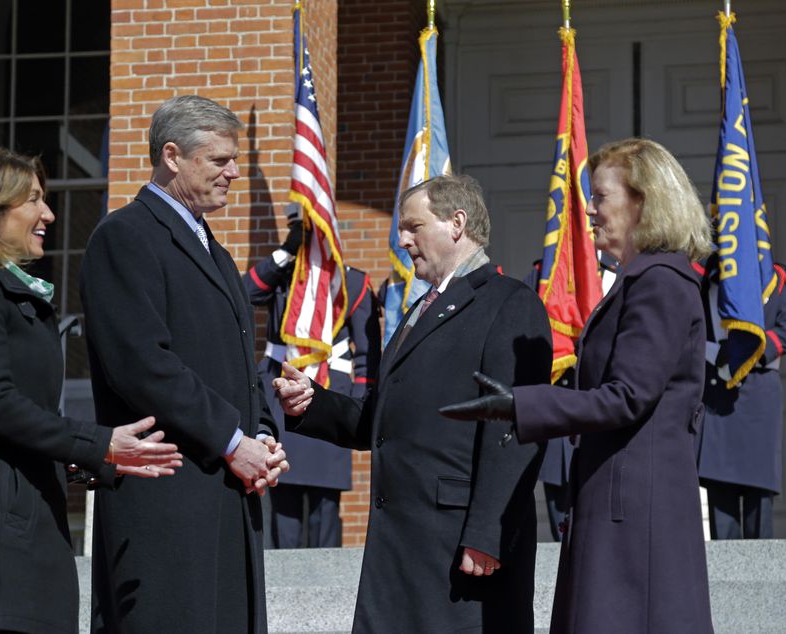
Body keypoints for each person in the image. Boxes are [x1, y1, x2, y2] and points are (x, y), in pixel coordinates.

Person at [441, 138, 715, 633]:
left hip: (637, 509)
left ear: (643, 201)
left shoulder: (660, 282)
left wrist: (519, 405)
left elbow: (628, 396)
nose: (588, 209)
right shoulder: (645, 279)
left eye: (601, 196)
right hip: (620, 498)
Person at [0, 145, 182, 634]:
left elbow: (17, 417)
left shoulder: (10, 294)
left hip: (28, 531)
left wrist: (91, 459)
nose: (49, 214)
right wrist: (100, 442)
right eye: (33, 200)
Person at [274, 174, 552, 632]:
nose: (401, 239)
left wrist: (488, 533)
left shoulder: (510, 304)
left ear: (456, 223)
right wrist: (313, 404)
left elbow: (515, 433)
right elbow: (383, 419)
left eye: (413, 227)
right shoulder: (419, 309)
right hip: (401, 545)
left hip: (460, 547)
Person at [80, 95, 288, 634]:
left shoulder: (215, 251)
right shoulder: (125, 236)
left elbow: (239, 362)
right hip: (168, 500)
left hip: (223, 496)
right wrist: (232, 440)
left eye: (234, 160)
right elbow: (143, 365)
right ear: (172, 156)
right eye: (219, 160)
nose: (234, 173)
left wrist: (262, 434)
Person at [243, 214, 381, 548]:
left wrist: (361, 405)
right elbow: (244, 291)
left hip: (329, 395)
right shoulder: (283, 275)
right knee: (283, 502)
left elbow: (367, 354)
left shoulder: (352, 282)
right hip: (282, 391)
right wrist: (285, 253)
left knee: (325, 510)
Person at [522, 254, 618, 541]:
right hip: (557, 421)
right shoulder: (544, 275)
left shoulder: (623, 277)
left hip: (602, 422)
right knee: (558, 532)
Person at [696, 256, 786, 538]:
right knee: (721, 514)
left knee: (757, 514)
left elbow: (785, 329)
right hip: (718, 397)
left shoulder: (777, 278)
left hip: (757, 398)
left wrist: (749, 351)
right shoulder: (703, 278)